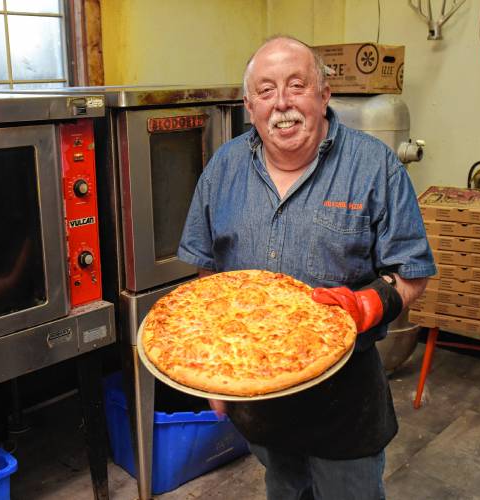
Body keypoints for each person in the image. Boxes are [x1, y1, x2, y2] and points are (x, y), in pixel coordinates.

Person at [177, 36, 436, 500]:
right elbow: (207, 280)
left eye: (297, 85)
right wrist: (215, 370)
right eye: (266, 90)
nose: (282, 104)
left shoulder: (373, 165)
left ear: (324, 94)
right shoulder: (223, 168)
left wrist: (368, 303)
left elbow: (412, 271)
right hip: (256, 396)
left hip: (344, 402)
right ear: (248, 105)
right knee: (285, 487)